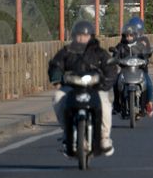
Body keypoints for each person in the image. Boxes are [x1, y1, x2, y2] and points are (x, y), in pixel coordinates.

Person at [48, 20, 118, 157]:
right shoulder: (67, 51)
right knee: (57, 98)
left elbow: (110, 68)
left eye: (85, 35)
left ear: (91, 36)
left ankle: (104, 138)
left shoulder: (99, 53)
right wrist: (56, 79)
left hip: (95, 88)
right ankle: (66, 132)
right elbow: (56, 64)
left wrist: (106, 83)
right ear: (74, 36)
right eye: (79, 35)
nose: (82, 38)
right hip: (71, 88)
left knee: (105, 104)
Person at [113, 22, 153, 118]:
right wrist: (115, 58)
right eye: (126, 35)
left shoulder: (140, 45)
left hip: (140, 71)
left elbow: (147, 54)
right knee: (115, 83)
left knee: (149, 84)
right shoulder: (120, 46)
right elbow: (115, 54)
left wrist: (147, 55)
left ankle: (148, 104)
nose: (128, 37)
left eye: (131, 35)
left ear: (135, 35)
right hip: (125, 71)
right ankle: (117, 105)